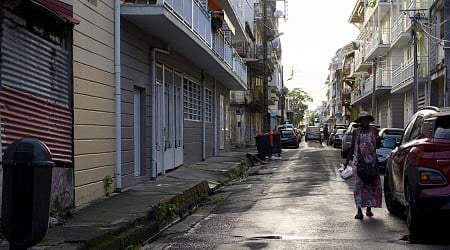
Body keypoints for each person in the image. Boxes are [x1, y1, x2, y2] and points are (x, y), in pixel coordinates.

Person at [344, 111, 381, 220]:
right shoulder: (356, 132)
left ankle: (369, 208)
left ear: (369, 121)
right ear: (360, 122)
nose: (365, 122)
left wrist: (378, 138)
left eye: (366, 120)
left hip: (372, 163)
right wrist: (346, 162)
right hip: (359, 163)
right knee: (359, 187)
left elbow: (378, 146)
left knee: (370, 186)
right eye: (362, 120)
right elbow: (352, 147)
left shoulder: (374, 131)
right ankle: (359, 211)